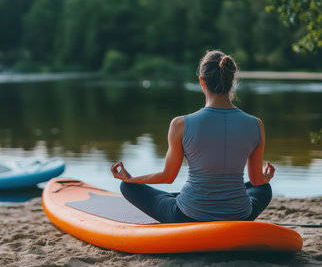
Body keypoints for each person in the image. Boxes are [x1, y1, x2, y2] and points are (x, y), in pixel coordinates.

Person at [110, 50, 275, 223]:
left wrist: (131, 179)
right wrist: (267, 177)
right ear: (232, 81)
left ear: (201, 81)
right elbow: (257, 180)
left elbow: (167, 176)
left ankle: (176, 196)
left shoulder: (180, 124)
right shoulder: (256, 125)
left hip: (188, 215)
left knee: (127, 187)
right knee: (264, 189)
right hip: (241, 215)